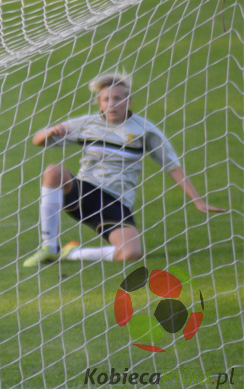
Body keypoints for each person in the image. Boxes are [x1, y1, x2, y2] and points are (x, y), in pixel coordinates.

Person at [23, 71, 225, 267]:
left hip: (116, 202)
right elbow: (37, 140)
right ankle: (49, 246)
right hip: (85, 193)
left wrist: (197, 200)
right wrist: (50, 132)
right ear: (99, 103)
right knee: (53, 171)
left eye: (118, 99)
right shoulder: (87, 124)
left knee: (130, 253)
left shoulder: (144, 130)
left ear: (129, 102)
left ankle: (72, 254)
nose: (112, 104)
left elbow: (172, 166)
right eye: (106, 99)